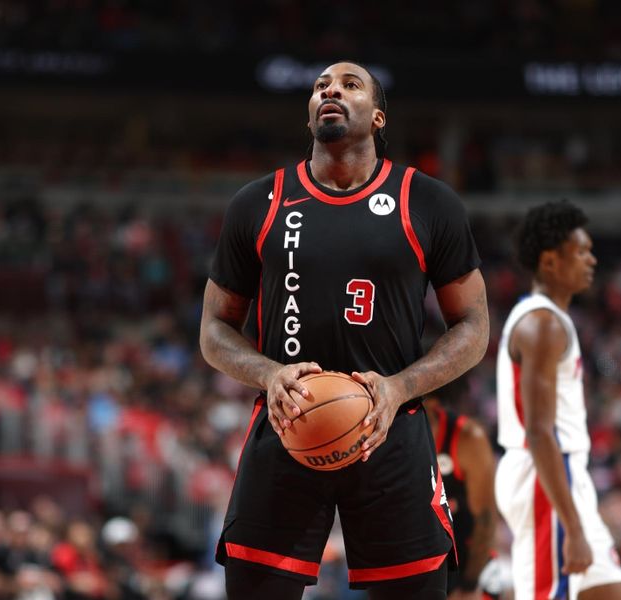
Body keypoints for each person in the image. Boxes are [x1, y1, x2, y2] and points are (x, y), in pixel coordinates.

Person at [199, 60, 489, 600]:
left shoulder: (428, 202)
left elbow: (473, 325)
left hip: (390, 426)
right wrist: (268, 373)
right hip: (287, 425)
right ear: (310, 113)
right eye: (320, 86)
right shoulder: (257, 203)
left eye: (349, 85)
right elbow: (214, 329)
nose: (330, 90)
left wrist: (401, 385)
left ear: (378, 117)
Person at [494, 200, 621, 600]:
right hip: (545, 474)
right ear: (550, 261)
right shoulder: (542, 324)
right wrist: (571, 526)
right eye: (582, 251)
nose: (592, 259)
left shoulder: (548, 318)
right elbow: (539, 430)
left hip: (563, 474)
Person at [423, 394, 500, 600]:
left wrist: (470, 583)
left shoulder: (468, 437)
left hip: (470, 561)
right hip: (424, 562)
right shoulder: (391, 438)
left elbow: (486, 519)